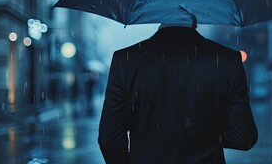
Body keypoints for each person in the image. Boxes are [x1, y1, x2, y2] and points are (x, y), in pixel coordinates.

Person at [98, 23, 258, 163]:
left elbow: (110, 139)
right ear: (195, 13)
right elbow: (243, 138)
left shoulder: (125, 60)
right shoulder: (228, 60)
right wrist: (205, 133)